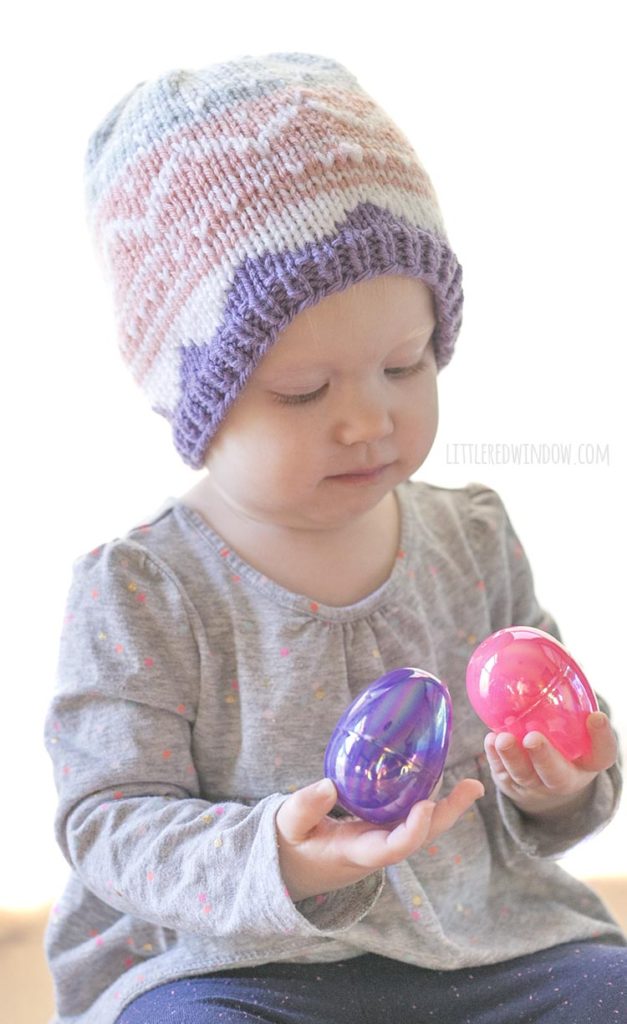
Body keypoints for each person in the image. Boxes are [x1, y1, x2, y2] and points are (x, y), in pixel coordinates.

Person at [43, 52, 625, 1024]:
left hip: (485, 942)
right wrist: (278, 853)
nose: (368, 420)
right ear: (198, 401)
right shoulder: (144, 588)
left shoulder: (472, 539)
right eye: (305, 392)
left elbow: (539, 773)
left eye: (405, 365)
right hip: (240, 959)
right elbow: (108, 820)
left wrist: (559, 779)